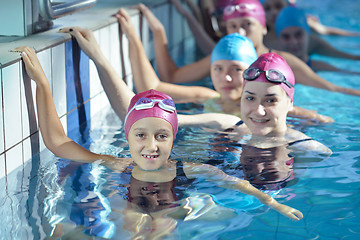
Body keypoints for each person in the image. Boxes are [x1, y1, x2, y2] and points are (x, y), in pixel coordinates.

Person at [17, 46, 304, 238]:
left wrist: (273, 203)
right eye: (140, 135)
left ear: (173, 139)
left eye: (161, 136)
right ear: (128, 137)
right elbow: (58, 142)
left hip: (172, 216)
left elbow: (235, 183)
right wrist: (42, 83)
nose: (151, 146)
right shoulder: (120, 164)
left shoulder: (187, 169)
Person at [127, 4, 333, 123]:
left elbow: (320, 116)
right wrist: (139, 36)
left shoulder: (269, 101)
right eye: (218, 69)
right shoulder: (208, 95)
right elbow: (153, 88)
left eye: (236, 69)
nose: (226, 77)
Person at [136, 0, 360, 98]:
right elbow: (172, 77)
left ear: (263, 27)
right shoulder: (225, 56)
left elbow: (330, 88)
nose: (239, 32)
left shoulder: (282, 61)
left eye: (247, 25)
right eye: (232, 26)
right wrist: (159, 34)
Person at [275, 6, 360, 74]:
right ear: (278, 39)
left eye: (298, 34)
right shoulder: (273, 68)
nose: (293, 41)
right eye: (286, 36)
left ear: (308, 34)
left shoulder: (321, 66)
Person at [262, 0, 360, 58]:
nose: (273, 12)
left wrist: (355, 35)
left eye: (278, 6)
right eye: (267, 9)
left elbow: (326, 32)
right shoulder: (262, 39)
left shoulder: (305, 27)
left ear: (288, 7)